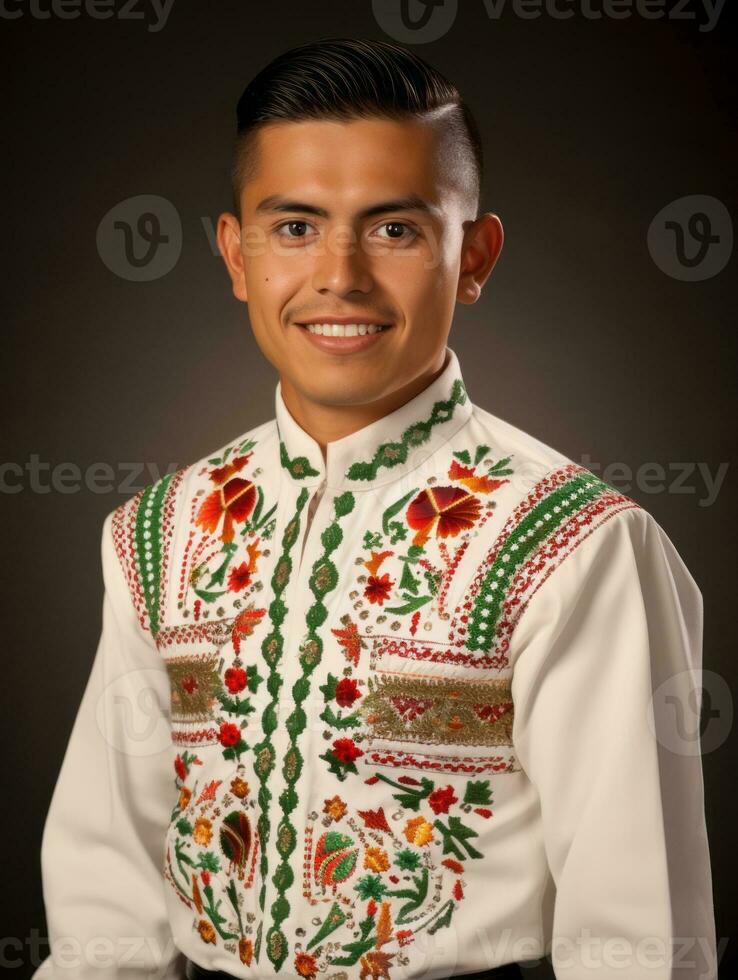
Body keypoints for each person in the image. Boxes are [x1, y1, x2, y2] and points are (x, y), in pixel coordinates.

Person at [33, 37, 716, 980]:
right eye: (296, 226)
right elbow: (103, 886)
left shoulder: (575, 544)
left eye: (394, 229)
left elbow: (637, 936)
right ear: (237, 254)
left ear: (472, 255)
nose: (341, 275)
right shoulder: (161, 531)